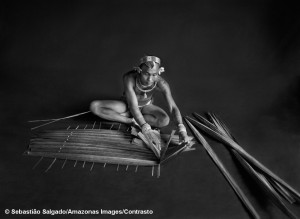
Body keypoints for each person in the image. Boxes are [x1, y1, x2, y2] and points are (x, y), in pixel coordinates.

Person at [90, 55, 190, 150]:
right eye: (146, 74)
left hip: (146, 107)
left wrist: (182, 129)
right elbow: (133, 106)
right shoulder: (129, 78)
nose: (150, 79)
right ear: (139, 71)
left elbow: (172, 107)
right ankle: (130, 121)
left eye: (154, 74)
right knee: (94, 106)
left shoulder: (162, 83)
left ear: (159, 72)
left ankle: (131, 119)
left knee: (164, 120)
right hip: (127, 105)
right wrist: (146, 128)